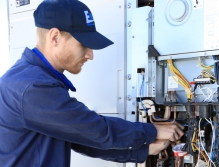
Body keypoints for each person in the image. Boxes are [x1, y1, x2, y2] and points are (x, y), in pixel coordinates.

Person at [0, 0, 184, 166]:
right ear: (55, 37)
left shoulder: (34, 79)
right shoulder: (32, 87)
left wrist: (142, 151)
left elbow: (80, 139)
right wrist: (152, 131)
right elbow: (96, 130)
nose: (90, 55)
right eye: (84, 44)